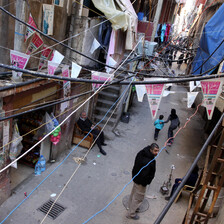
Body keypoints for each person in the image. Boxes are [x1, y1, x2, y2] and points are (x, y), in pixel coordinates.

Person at [126, 143, 159, 220]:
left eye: (158, 151)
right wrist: (145, 183)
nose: (157, 153)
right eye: (155, 151)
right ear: (151, 150)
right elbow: (145, 175)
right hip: (141, 182)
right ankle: (131, 214)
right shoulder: (148, 161)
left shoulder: (142, 152)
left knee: (134, 193)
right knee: (138, 198)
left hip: (136, 178)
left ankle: (130, 206)